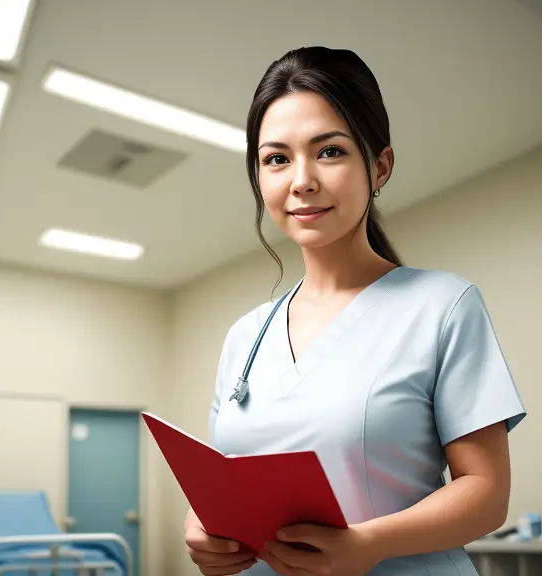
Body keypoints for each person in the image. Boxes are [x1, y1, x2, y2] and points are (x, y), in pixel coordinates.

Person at [183, 46, 526, 575]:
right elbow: (227, 480)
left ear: (379, 166)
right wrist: (202, 527)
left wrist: (370, 544)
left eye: (330, 151)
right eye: (276, 158)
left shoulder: (443, 307)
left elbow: (486, 494)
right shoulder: (246, 336)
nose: (301, 180)